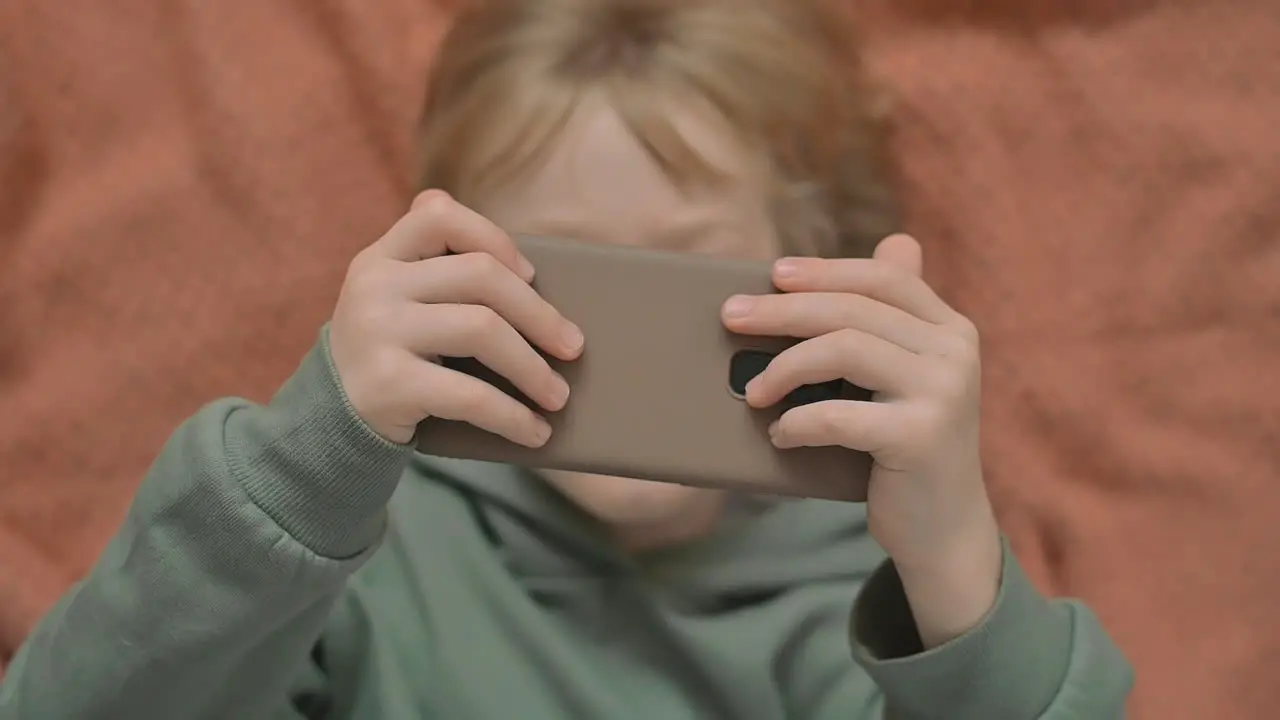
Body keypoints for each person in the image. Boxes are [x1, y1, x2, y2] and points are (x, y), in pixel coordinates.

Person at [0, 0, 1133, 718]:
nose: (608, 341)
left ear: (813, 257)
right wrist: (311, 458)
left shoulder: (889, 582)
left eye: (682, 267)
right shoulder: (358, 552)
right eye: (564, 272)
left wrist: (948, 568)